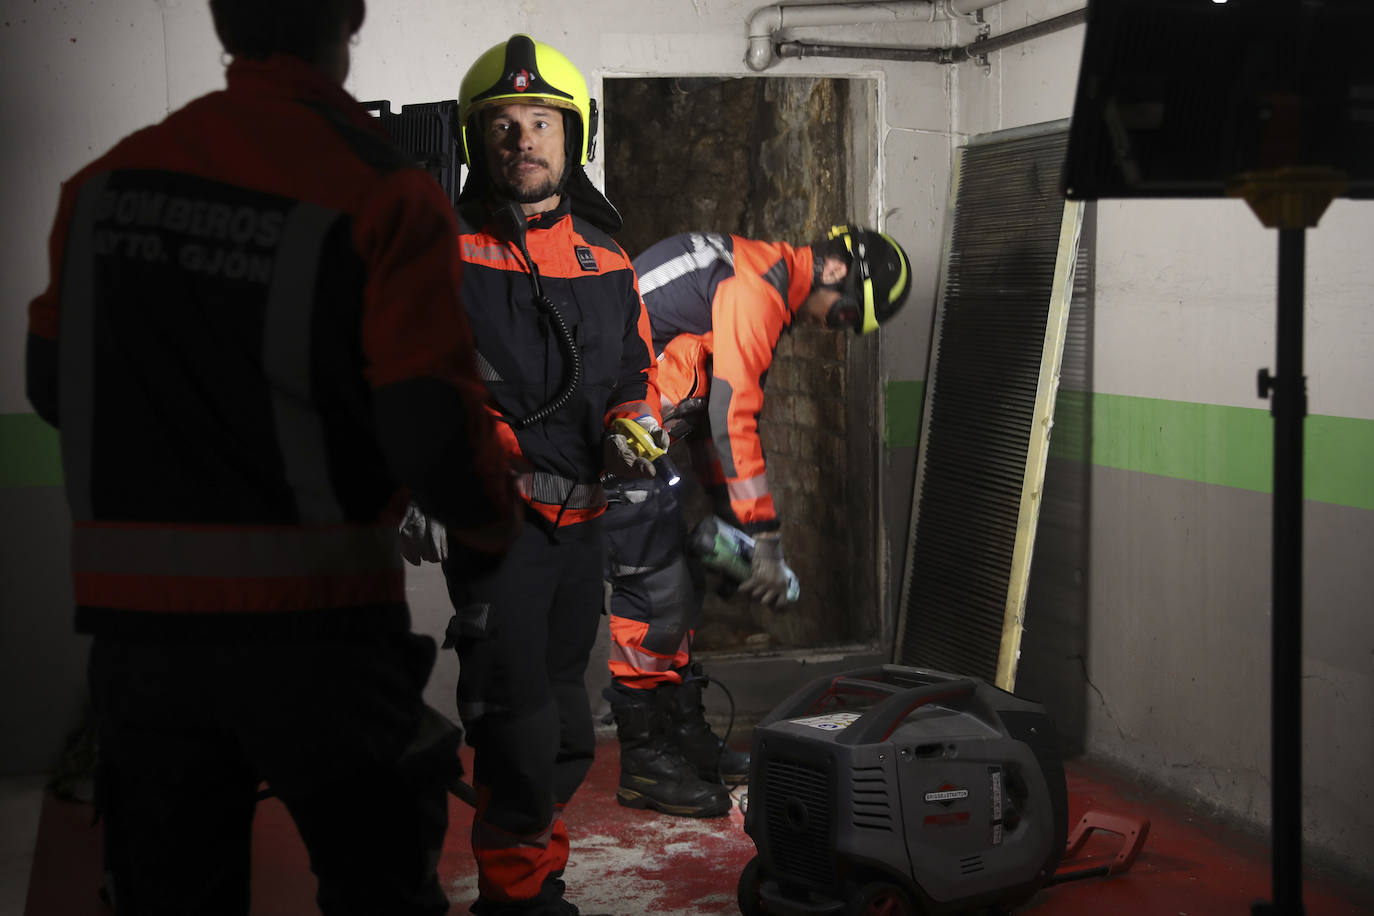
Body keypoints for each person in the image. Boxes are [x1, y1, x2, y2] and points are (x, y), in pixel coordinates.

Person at [23, 2, 520, 913]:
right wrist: (495, 526)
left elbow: (54, 385)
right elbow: (430, 428)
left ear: (219, 18)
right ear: (353, 14)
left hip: (141, 641)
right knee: (377, 886)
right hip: (317, 632)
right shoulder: (381, 190)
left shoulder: (102, 184)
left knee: (169, 893)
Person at [437, 33, 663, 916]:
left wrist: (631, 424)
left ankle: (537, 864)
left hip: (585, 528)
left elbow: (632, 375)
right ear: (474, 140)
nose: (520, 139)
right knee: (516, 725)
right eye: (500, 124)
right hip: (502, 529)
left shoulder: (606, 259)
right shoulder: (441, 250)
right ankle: (518, 896)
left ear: (573, 137)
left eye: (540, 121)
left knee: (569, 726)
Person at [601, 226, 913, 817]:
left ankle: (685, 737)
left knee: (682, 589)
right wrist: (765, 538)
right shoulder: (755, 290)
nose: (831, 326)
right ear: (834, 273)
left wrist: (727, 522)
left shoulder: (751, 273)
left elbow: (703, 410)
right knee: (652, 596)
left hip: (644, 437)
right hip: (615, 436)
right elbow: (731, 419)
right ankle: (643, 762)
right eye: (845, 316)